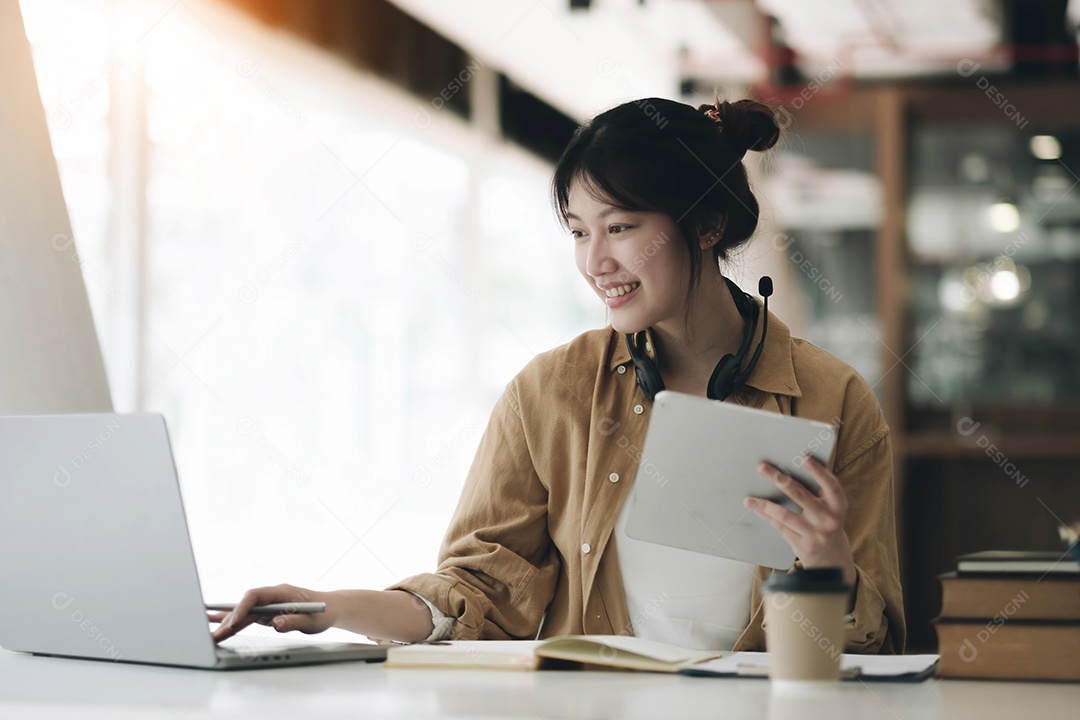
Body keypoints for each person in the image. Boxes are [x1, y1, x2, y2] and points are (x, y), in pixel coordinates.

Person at [211, 97, 906, 654]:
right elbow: (479, 595)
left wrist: (831, 570)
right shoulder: (548, 394)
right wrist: (331, 608)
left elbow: (881, 646)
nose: (595, 261)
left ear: (706, 224)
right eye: (578, 231)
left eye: (622, 226)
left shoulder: (833, 399)